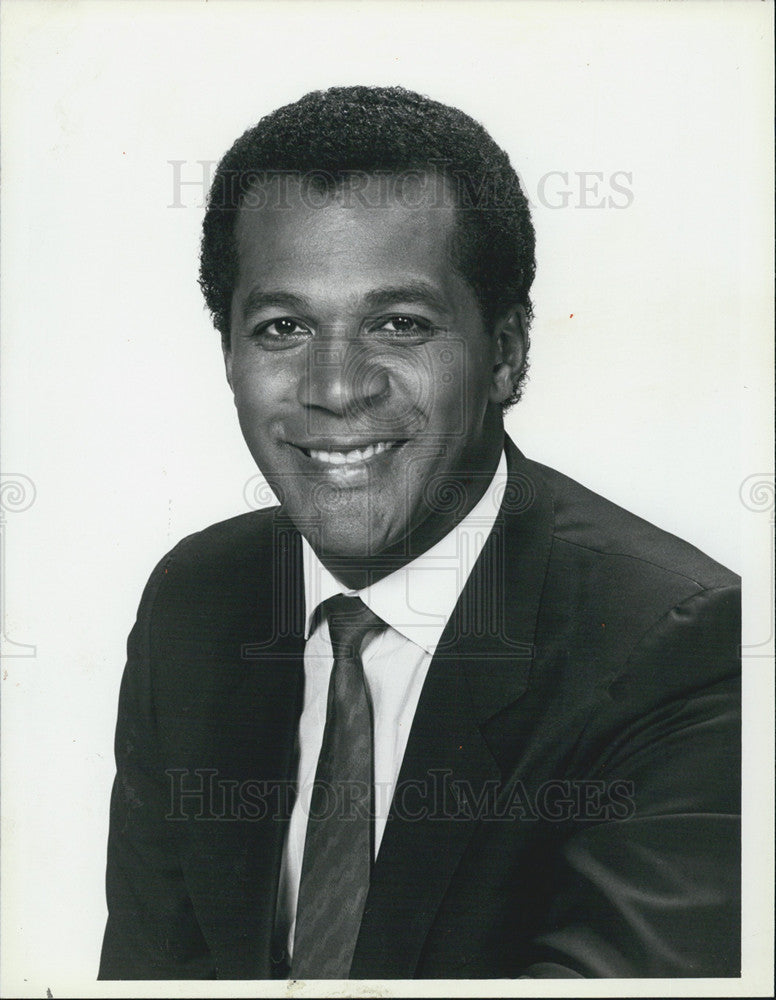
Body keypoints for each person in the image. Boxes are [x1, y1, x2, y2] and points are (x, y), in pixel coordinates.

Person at [98, 85, 740, 980]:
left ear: (508, 353)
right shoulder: (196, 602)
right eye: (283, 328)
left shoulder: (680, 647)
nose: (336, 387)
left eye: (399, 324)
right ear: (230, 359)